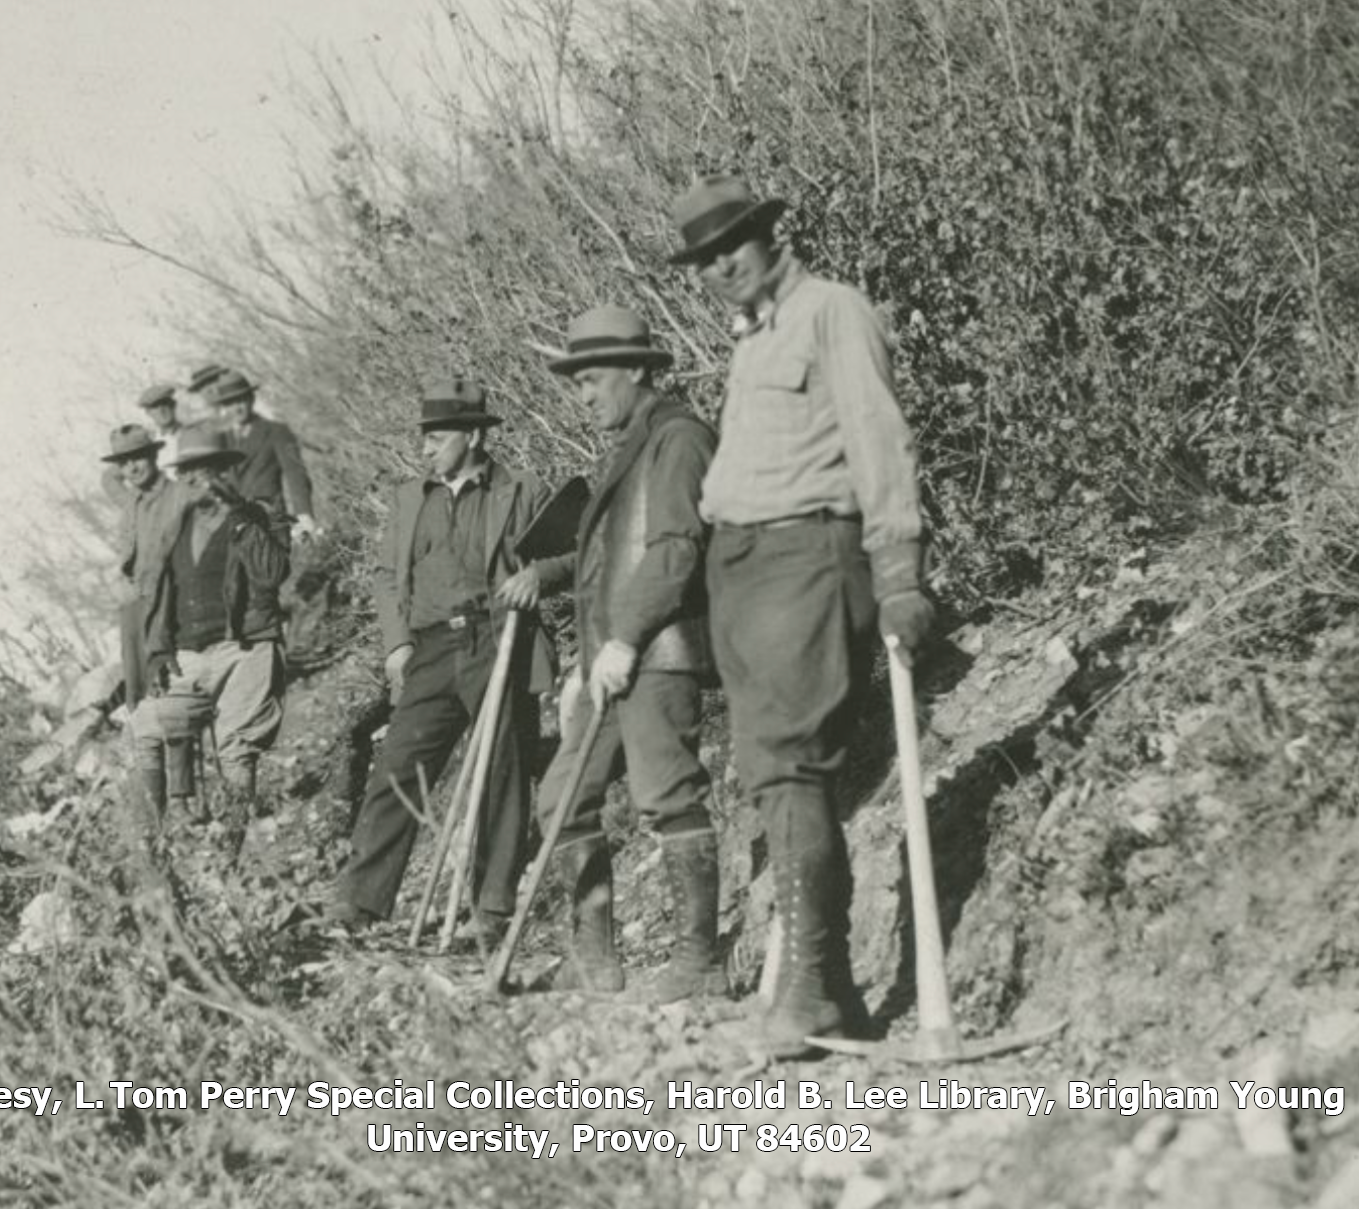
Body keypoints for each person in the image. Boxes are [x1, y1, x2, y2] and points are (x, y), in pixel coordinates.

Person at [666, 174, 933, 1056]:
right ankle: (831, 994)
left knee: (789, 769)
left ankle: (812, 985)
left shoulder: (832, 310)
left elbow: (878, 435)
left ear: (770, 233)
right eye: (701, 260)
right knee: (769, 774)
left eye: (729, 246)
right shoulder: (752, 341)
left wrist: (898, 569)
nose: (717, 268)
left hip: (808, 559)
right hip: (743, 572)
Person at [529, 305, 725, 1000]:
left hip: (658, 651)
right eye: (576, 381)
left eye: (592, 378)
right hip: (613, 660)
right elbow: (601, 568)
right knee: (559, 797)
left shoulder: (678, 439)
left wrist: (625, 637)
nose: (582, 394)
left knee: (667, 795)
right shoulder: (630, 447)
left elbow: (675, 551)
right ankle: (594, 959)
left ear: (638, 370)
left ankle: (699, 964)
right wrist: (585, 663)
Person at [328, 379, 556, 948]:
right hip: (428, 648)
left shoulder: (521, 489)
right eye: (425, 436)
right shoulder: (411, 498)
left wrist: (541, 575)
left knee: (501, 774)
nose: (426, 447)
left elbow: (574, 549)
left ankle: (491, 911)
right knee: (398, 768)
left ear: (475, 436)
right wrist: (396, 644)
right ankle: (358, 904)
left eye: (439, 436)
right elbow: (386, 577)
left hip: (499, 640)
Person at [127, 425, 292, 822]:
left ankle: (229, 860)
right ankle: (155, 854)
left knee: (235, 749)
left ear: (226, 471)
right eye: (187, 473)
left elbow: (272, 574)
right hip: (188, 656)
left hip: (246, 650)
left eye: (206, 470)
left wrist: (240, 516)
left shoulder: (259, 515)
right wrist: (159, 651)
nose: (195, 480)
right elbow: (159, 593)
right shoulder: (176, 527)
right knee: (144, 726)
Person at [98, 423, 172, 709]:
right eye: (124, 462)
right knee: (138, 682)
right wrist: (126, 457)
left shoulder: (174, 496)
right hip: (135, 598)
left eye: (139, 458)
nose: (132, 468)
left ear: (154, 456)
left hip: (165, 595)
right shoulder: (131, 500)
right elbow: (108, 478)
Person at [205, 370, 320, 544]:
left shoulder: (277, 432)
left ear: (251, 399)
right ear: (224, 407)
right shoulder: (221, 440)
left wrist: (304, 516)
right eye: (230, 403)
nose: (237, 408)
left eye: (241, 400)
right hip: (233, 526)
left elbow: (296, 474)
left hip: (269, 522)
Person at [135, 383, 184, 478]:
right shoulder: (149, 443)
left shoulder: (194, 433)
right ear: (148, 413)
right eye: (155, 407)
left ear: (173, 405)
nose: (161, 410)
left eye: (164, 403)